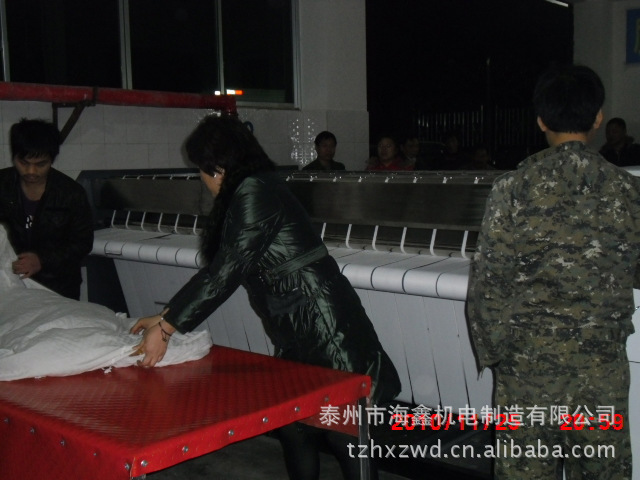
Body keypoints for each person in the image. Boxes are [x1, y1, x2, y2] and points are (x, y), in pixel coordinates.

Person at [129, 114, 401, 480]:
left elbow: (224, 272)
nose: (201, 178)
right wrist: (166, 316)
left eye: (200, 169)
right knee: (296, 426)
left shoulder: (254, 192)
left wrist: (167, 329)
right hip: (299, 322)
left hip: (324, 323)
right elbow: (225, 268)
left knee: (345, 428)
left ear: (218, 168)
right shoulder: (254, 187)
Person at [467, 64, 639, 479]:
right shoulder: (628, 191)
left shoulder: (513, 189)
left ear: (541, 120)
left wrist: (498, 357)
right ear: (597, 118)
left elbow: (488, 287)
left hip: (527, 373)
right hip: (600, 373)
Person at [0, 118, 94, 300]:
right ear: (14, 157)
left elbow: (82, 243)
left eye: (40, 164)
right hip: (10, 286)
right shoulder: (2, 186)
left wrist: (41, 260)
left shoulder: (70, 193)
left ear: (51, 160)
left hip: (58, 287)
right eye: (24, 162)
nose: (31, 171)